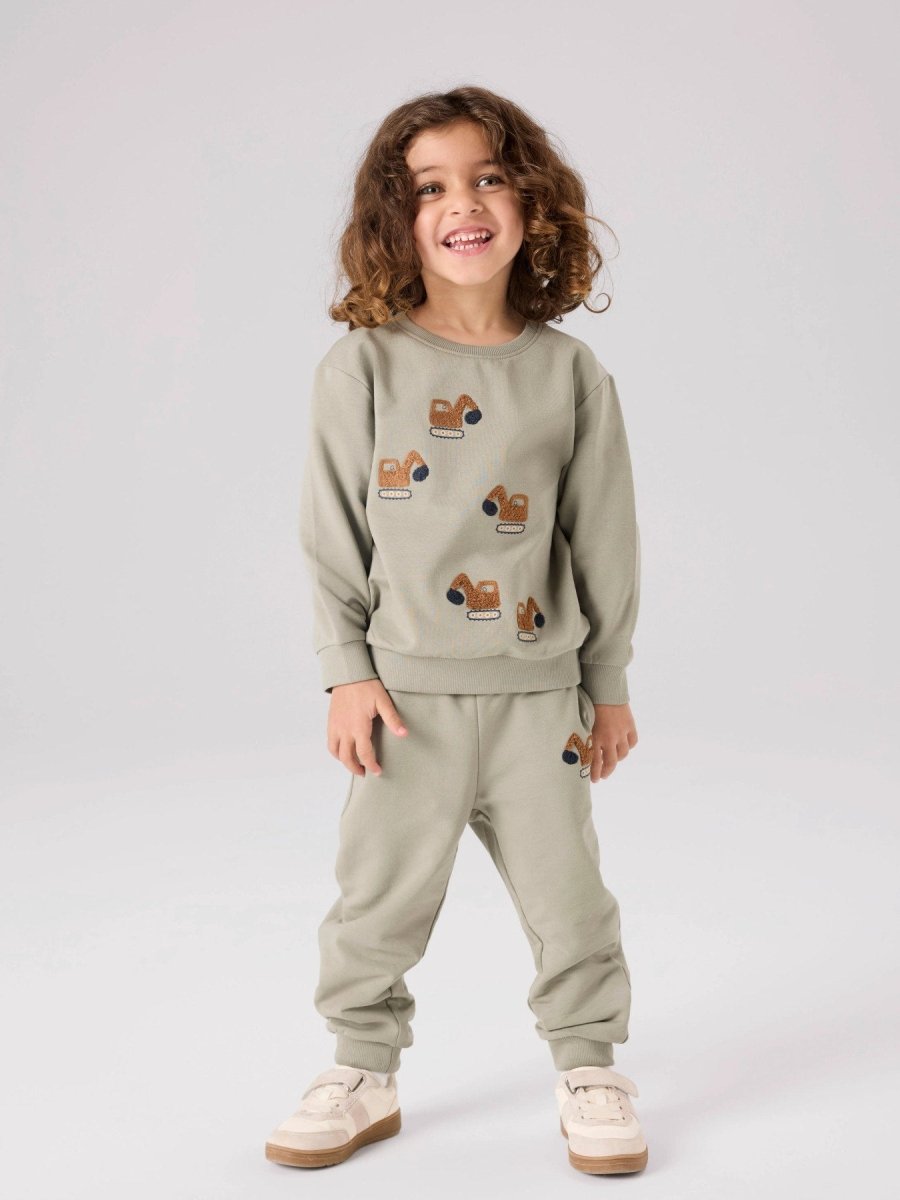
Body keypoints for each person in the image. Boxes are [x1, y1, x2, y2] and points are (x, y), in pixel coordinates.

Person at [265, 85, 647, 1176]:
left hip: (540, 699)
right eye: (431, 188)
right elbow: (331, 533)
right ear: (400, 219)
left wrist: (608, 684)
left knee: (571, 898)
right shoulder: (365, 366)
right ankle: (362, 1068)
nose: (463, 204)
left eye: (487, 178)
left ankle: (590, 1066)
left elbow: (604, 538)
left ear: (532, 204)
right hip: (405, 703)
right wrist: (346, 671)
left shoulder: (569, 374)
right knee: (376, 897)